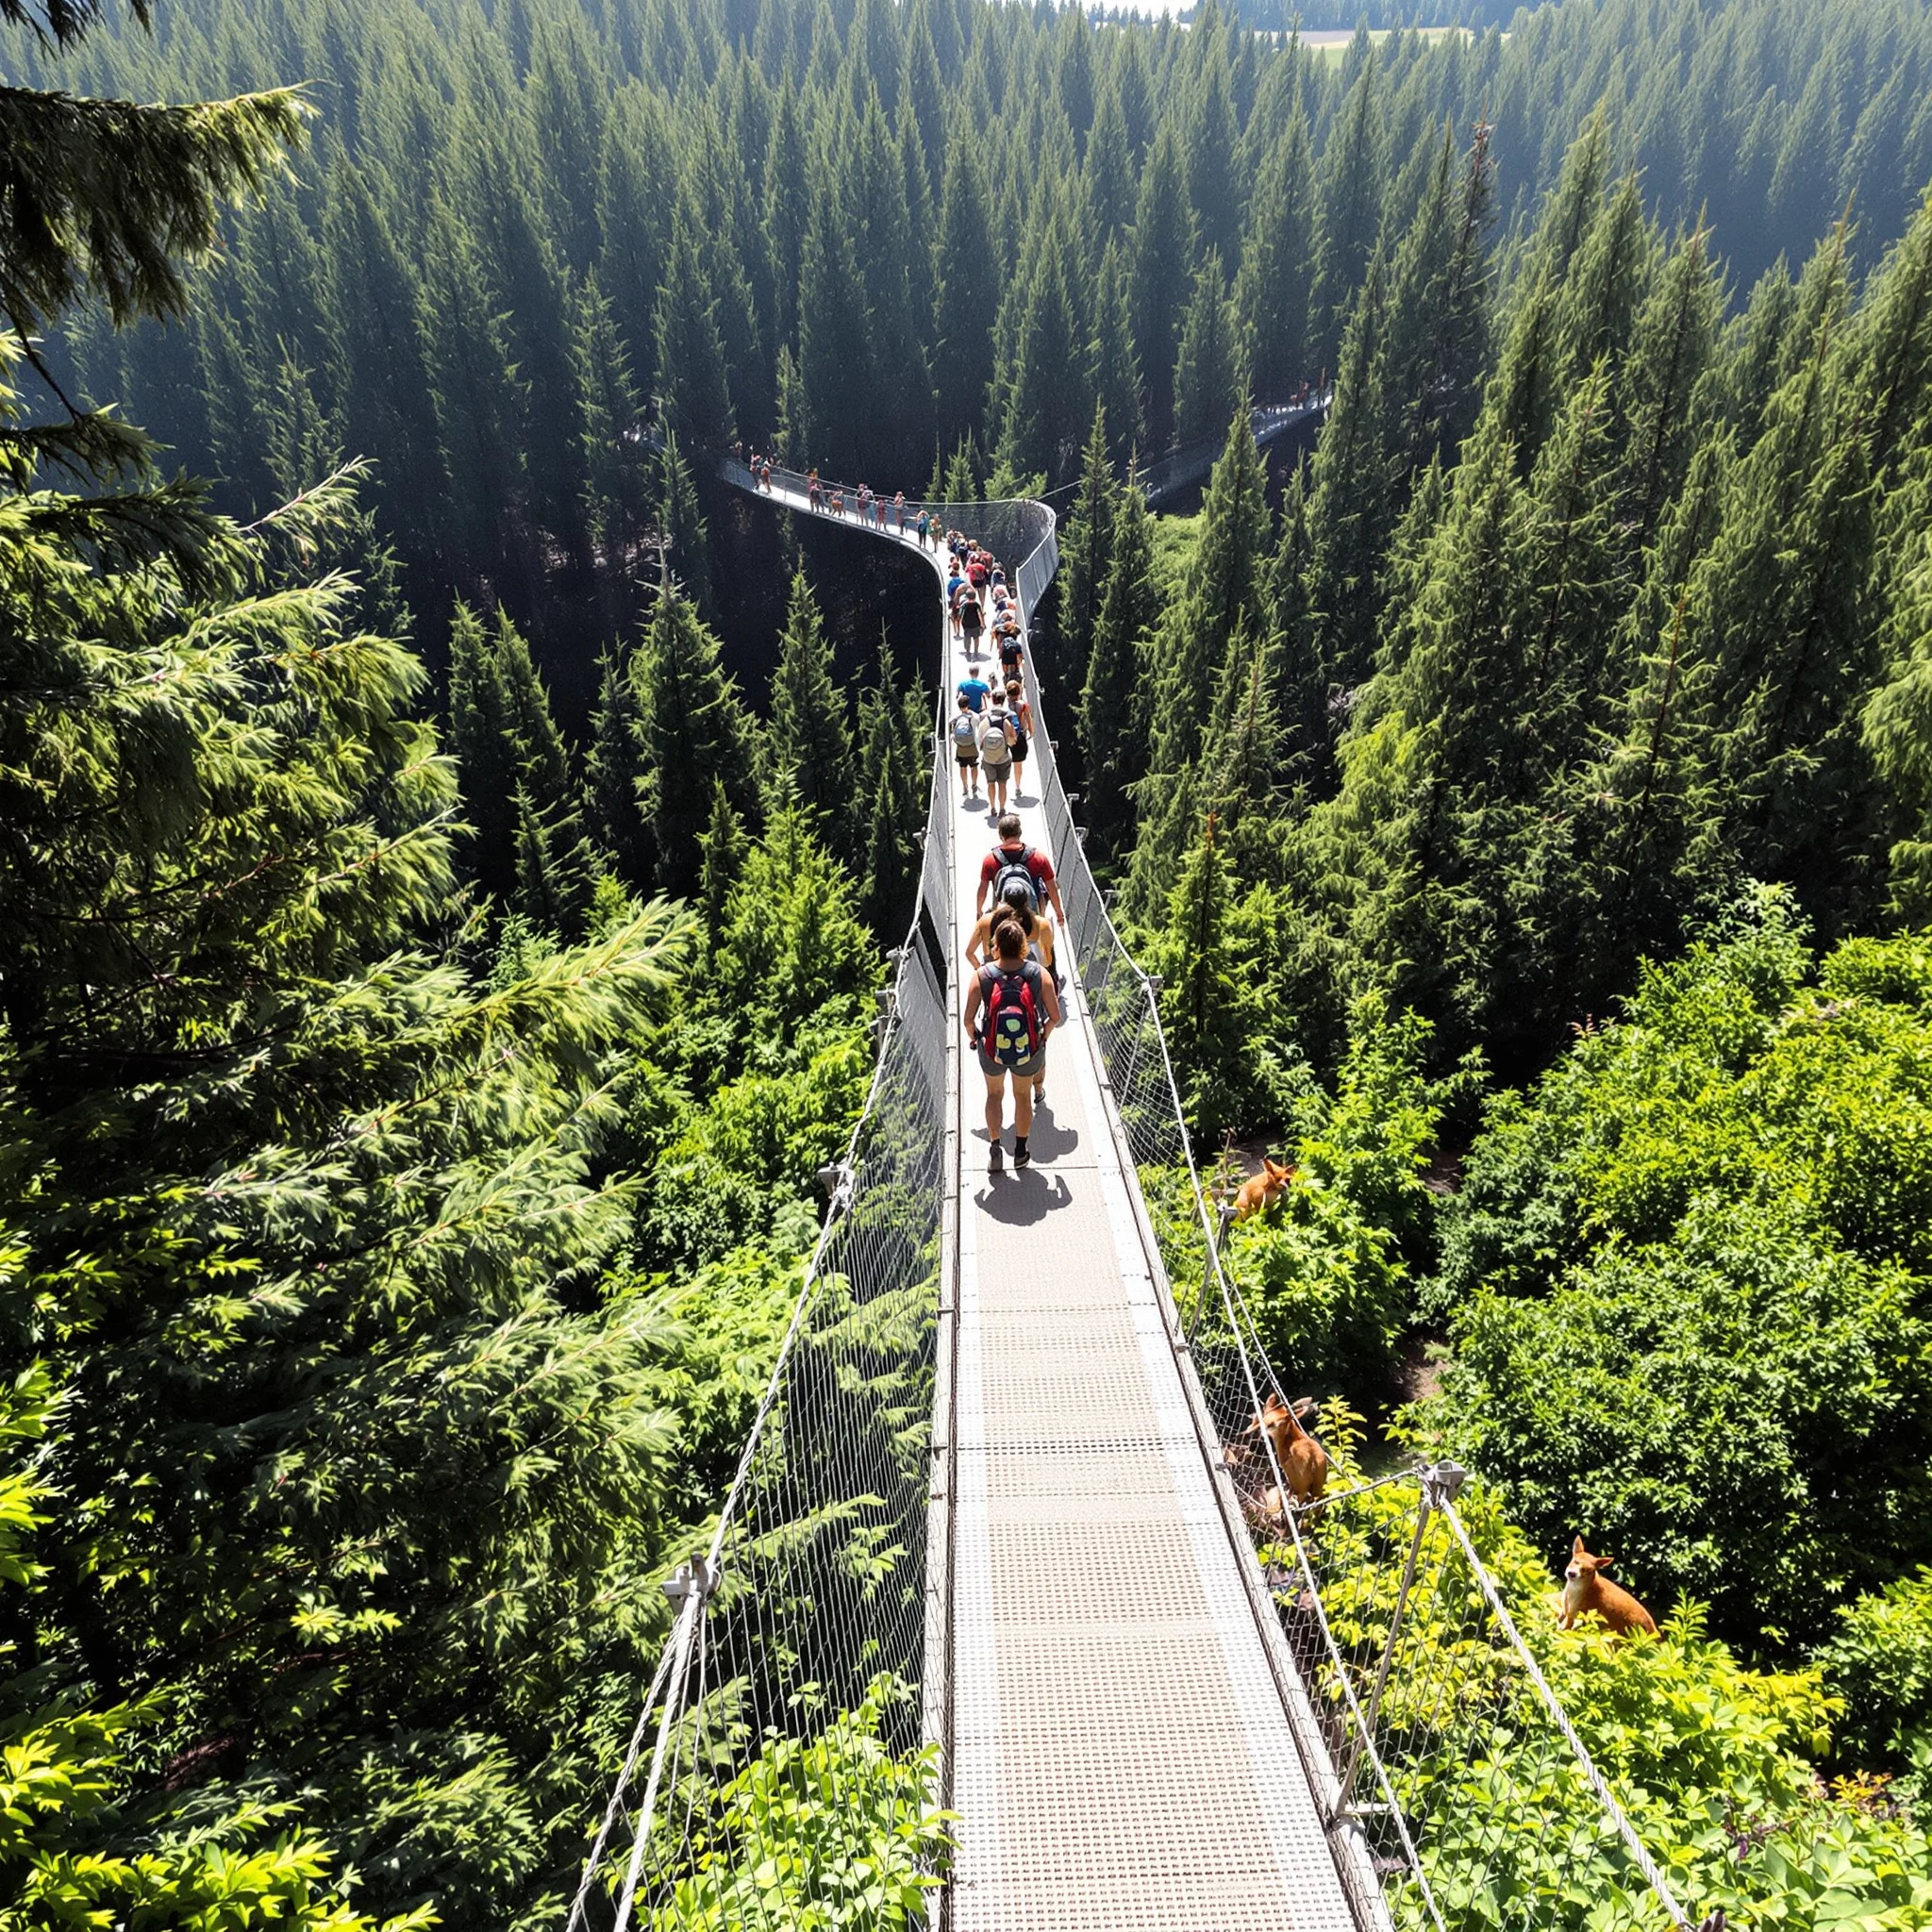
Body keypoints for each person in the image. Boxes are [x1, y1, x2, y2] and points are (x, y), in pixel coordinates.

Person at [964, 914, 1061, 1174]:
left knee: (994, 1094)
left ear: (995, 946)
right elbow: (1055, 1017)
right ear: (1022, 946)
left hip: (992, 1050)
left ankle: (995, 1147)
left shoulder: (981, 975)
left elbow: (968, 1021)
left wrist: (977, 1041)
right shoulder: (1039, 974)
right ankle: (1020, 1151)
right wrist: (1043, 1037)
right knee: (1022, 1096)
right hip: (1028, 1048)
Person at [976, 811, 1065, 925]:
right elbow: (1052, 889)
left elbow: (982, 891)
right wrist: (1059, 914)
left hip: (1003, 916)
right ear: (1020, 833)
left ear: (1001, 836)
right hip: (1033, 914)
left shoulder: (990, 860)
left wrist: (979, 911)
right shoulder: (1038, 858)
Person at [978, 700, 1014, 816]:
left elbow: (980, 742)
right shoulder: (1006, 723)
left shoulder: (984, 723)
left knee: (991, 783)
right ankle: (1002, 808)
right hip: (1003, 759)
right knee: (1002, 784)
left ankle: (993, 807)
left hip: (988, 760)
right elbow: (1012, 742)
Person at [1004, 676, 1032, 794]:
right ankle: (1017, 786)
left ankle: (1003, 783)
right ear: (1019, 692)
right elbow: (1029, 720)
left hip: (1007, 736)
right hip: (1020, 736)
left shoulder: (1004, 706)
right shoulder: (1024, 705)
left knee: (1004, 762)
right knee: (1018, 763)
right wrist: (1031, 731)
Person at [952, 691, 981, 798]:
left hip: (960, 746)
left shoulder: (957, 716)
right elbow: (978, 727)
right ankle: (974, 785)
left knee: (962, 767)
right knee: (974, 766)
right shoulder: (974, 716)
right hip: (971, 745)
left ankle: (965, 787)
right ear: (968, 704)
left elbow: (950, 722)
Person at [959, 585, 984, 658]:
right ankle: (976, 652)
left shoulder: (964, 605)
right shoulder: (977, 605)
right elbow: (980, 614)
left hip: (967, 626)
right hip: (976, 625)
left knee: (967, 639)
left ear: (967, 597)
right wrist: (982, 624)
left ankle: (968, 652)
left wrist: (960, 621)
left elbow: (960, 615)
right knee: (976, 638)